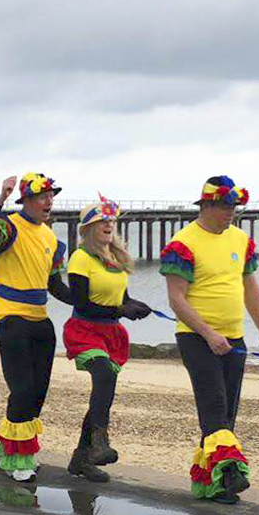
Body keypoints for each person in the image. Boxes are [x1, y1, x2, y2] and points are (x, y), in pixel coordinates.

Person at [159, 176, 259, 504]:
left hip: (233, 337)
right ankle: (230, 475)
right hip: (197, 337)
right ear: (207, 205)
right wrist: (208, 334)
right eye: (225, 206)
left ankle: (210, 482)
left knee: (229, 412)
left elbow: (250, 287)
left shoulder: (239, 239)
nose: (231, 212)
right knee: (213, 407)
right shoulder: (183, 242)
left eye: (234, 207)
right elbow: (176, 299)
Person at [0, 172, 73, 482]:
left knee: (39, 392)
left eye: (51, 196)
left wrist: (92, 303)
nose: (49, 201)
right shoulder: (10, 227)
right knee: (22, 388)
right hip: (10, 316)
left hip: (40, 318)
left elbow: (56, 286)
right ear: (26, 201)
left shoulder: (53, 241)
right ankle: (17, 458)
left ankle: (19, 450)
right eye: (43, 196)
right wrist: (0, 198)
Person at [62, 196, 152, 482]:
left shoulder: (115, 259)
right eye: (102, 222)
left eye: (111, 221)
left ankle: (81, 458)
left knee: (105, 390)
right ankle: (100, 442)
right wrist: (120, 310)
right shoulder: (80, 258)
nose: (109, 226)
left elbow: (120, 298)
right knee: (102, 375)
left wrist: (134, 306)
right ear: (88, 228)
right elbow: (81, 303)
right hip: (85, 328)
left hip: (111, 332)